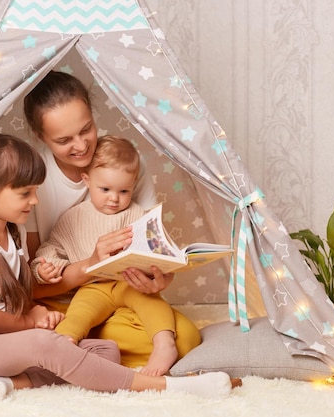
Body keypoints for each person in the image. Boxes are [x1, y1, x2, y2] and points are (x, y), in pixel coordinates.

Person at [0, 132, 237, 400]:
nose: (34, 201)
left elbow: (25, 288)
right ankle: (164, 387)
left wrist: (41, 301)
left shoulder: (13, 231)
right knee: (47, 344)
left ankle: (8, 383)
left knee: (105, 352)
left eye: (35, 191)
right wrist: (30, 321)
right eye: (25, 193)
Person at [23, 70, 201, 368]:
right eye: (64, 140)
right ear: (41, 137)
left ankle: (78, 346)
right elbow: (30, 283)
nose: (80, 146)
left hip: (124, 296)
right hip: (60, 301)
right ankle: (79, 340)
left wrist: (158, 278)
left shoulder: (126, 162)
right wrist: (88, 264)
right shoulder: (32, 176)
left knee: (186, 338)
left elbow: (153, 247)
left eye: (86, 129)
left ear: (93, 116)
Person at [31, 135, 178, 376]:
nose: (114, 198)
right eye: (106, 189)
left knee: (153, 304)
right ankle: (63, 345)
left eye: (124, 190)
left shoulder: (137, 214)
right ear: (87, 180)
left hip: (128, 283)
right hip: (92, 287)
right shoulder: (73, 217)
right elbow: (50, 249)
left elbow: (156, 250)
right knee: (79, 313)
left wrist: (161, 268)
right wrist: (44, 268)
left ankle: (164, 344)